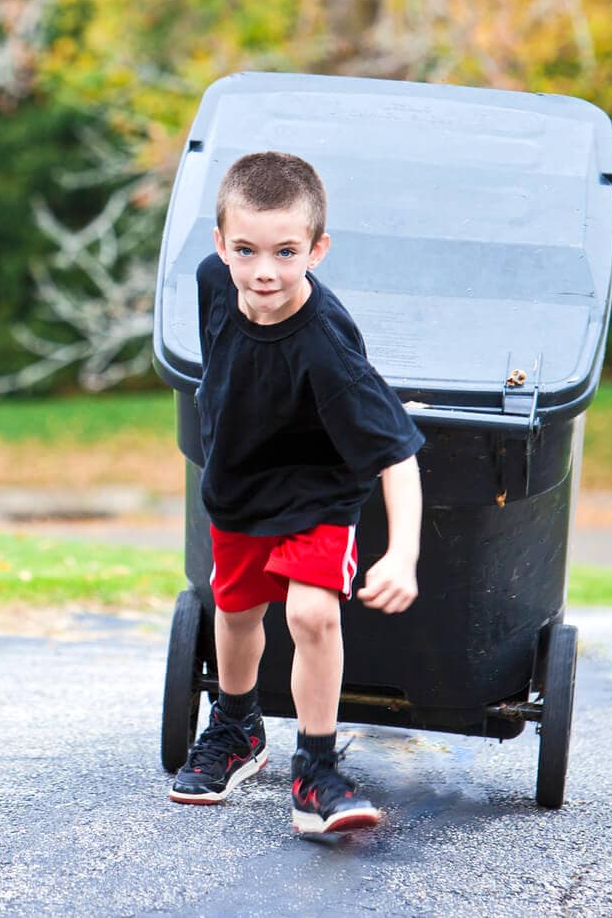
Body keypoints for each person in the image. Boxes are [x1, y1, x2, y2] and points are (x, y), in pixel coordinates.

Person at [168, 151, 425, 834]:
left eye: (286, 251)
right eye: (246, 249)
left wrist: (401, 554)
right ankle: (236, 726)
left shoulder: (327, 348)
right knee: (237, 609)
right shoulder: (211, 282)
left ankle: (314, 770)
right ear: (220, 243)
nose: (264, 271)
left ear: (317, 249)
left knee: (311, 615)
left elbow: (397, 453)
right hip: (239, 487)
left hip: (316, 496)